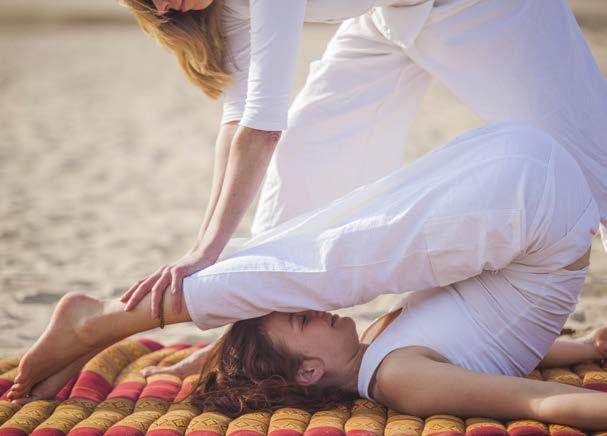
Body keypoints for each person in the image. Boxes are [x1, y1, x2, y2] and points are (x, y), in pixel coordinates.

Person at [7, 124, 607, 429]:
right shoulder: (400, 380)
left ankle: (111, 314)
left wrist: (580, 346)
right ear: (310, 371)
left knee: (314, 250)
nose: (316, 311)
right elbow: (534, 399)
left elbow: (496, 344)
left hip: (519, 176)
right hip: (533, 205)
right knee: (326, 263)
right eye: (301, 319)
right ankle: (105, 317)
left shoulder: (380, 349)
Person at [118, 0, 607, 319]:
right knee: (306, 155)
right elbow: (237, 120)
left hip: (478, 6)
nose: (162, 6)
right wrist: (201, 247)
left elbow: (263, 125)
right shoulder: (222, 7)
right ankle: (259, 329)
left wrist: (205, 252)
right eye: (149, 4)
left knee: (591, 158)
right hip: (385, 14)